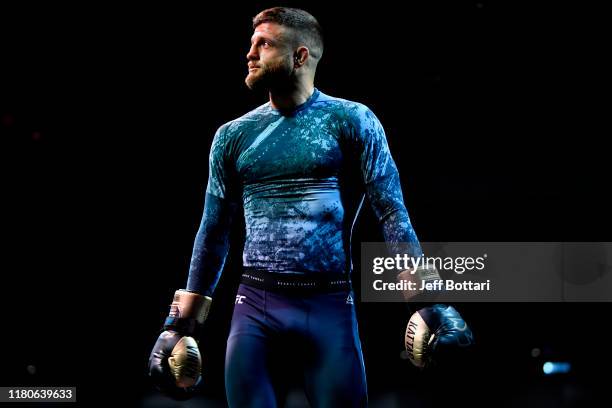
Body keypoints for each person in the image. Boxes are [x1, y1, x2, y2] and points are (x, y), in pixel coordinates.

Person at [148, 7, 473, 407]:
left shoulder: (353, 120)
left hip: (330, 305)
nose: (250, 53)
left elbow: (392, 213)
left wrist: (429, 300)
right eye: (251, 43)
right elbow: (213, 231)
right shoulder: (230, 136)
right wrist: (178, 324)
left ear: (300, 56)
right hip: (256, 305)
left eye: (264, 44)